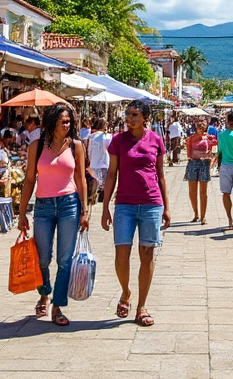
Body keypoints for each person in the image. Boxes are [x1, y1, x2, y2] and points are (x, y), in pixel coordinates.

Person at [17, 104, 88, 327]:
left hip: (69, 204)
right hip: (43, 206)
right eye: (62, 122)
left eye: (68, 122)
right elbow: (29, 179)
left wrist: (85, 210)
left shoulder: (76, 146)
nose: (67, 125)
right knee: (43, 258)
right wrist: (22, 213)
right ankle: (44, 292)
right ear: (51, 122)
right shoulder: (37, 146)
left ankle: (57, 305)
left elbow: (81, 179)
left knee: (65, 260)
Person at [101, 100, 170, 327]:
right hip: (124, 204)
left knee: (147, 255)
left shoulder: (156, 140)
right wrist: (105, 207)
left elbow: (160, 175)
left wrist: (167, 207)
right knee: (121, 254)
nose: (129, 119)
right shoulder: (118, 141)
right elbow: (111, 174)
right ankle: (125, 291)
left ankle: (141, 307)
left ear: (145, 118)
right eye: (128, 114)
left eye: (135, 115)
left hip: (151, 203)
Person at [184, 120, 213, 224]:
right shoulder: (191, 139)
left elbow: (212, 150)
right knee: (192, 191)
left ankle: (203, 216)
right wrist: (198, 154)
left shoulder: (208, 138)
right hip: (193, 163)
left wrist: (208, 156)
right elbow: (189, 154)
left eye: (203, 128)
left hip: (204, 163)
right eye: (199, 128)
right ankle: (196, 213)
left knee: (203, 191)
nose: (201, 130)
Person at [86, 118, 111, 204]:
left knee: (95, 183)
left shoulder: (91, 137)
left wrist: (89, 160)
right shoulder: (108, 136)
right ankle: (102, 197)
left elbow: (89, 150)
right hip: (105, 163)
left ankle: (93, 198)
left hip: (94, 163)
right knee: (104, 183)